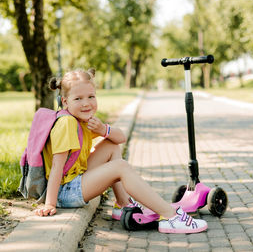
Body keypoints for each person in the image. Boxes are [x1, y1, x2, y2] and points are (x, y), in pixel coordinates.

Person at [34, 68, 207, 234]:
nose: (86, 103)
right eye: (78, 99)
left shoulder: (82, 120)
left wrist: (103, 130)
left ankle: (123, 204)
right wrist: (50, 204)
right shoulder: (67, 123)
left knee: (111, 145)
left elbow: (120, 138)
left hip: (73, 181)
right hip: (64, 192)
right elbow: (57, 166)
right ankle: (171, 216)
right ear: (65, 102)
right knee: (121, 167)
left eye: (91, 96)